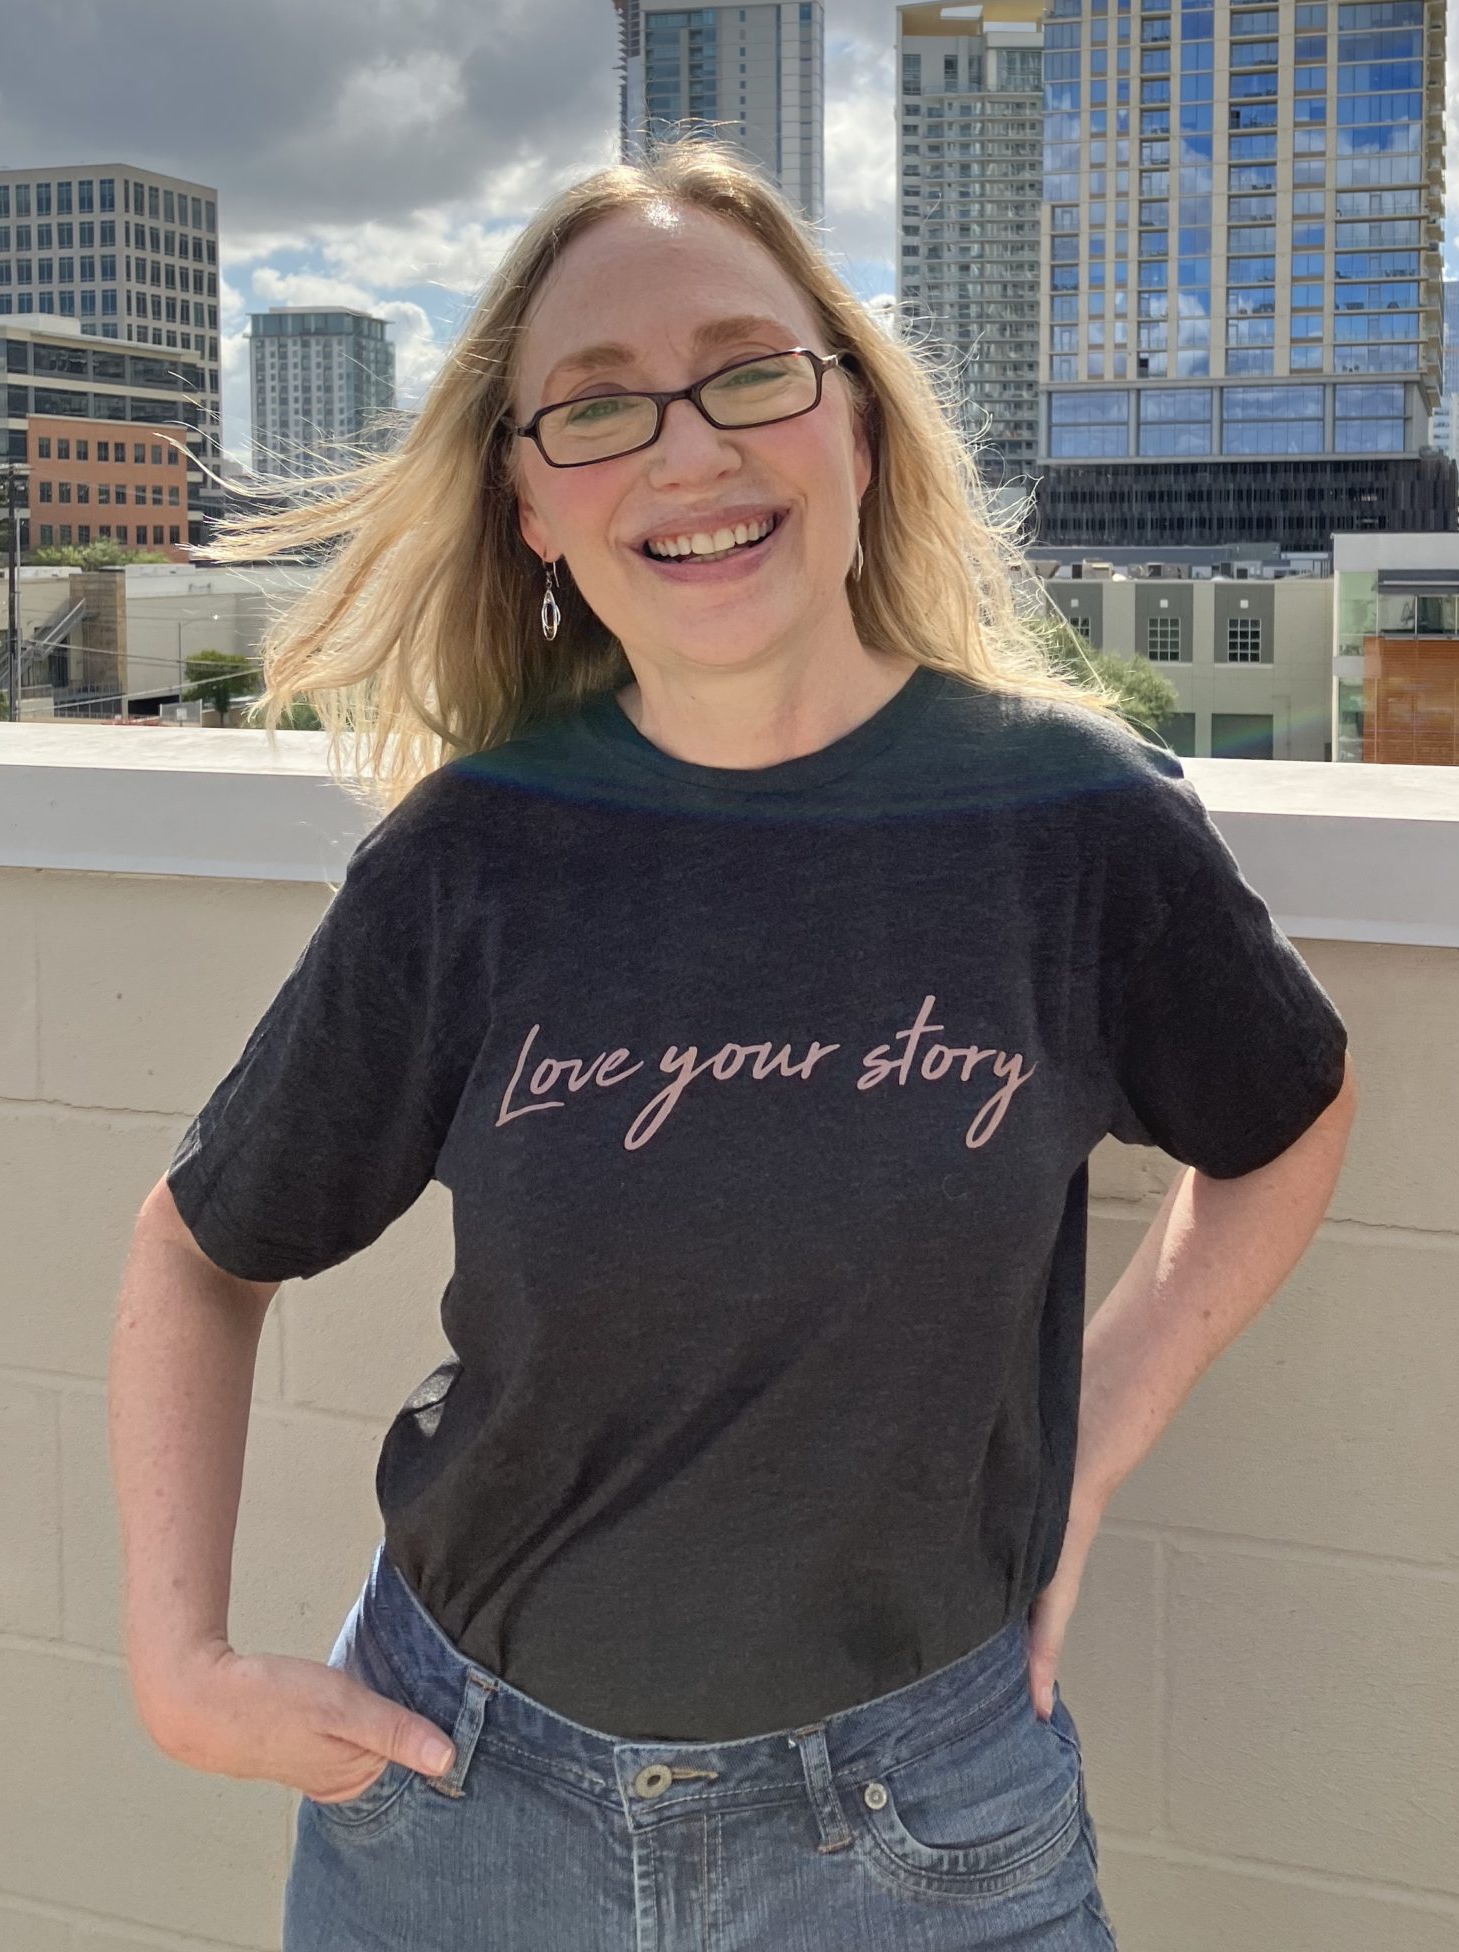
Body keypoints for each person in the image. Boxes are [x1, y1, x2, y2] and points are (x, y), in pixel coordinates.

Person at [109, 139, 1356, 1950]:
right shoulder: (474, 857)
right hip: (466, 1812)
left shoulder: (1071, 829)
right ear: (530, 504)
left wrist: (1090, 1435)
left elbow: (1285, 1124)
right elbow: (198, 1248)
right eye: (596, 411)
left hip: (927, 1824)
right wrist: (183, 1667)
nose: (689, 450)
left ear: (852, 419)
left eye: (748, 371)